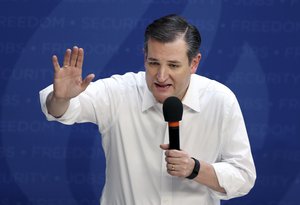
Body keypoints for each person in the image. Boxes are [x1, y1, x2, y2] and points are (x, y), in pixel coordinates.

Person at [39, 14, 256, 205]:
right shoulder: (119, 92)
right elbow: (62, 109)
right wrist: (60, 97)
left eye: (173, 65)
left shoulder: (221, 101)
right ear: (144, 58)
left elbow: (243, 177)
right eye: (153, 63)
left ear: (194, 63)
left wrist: (195, 169)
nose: (161, 76)